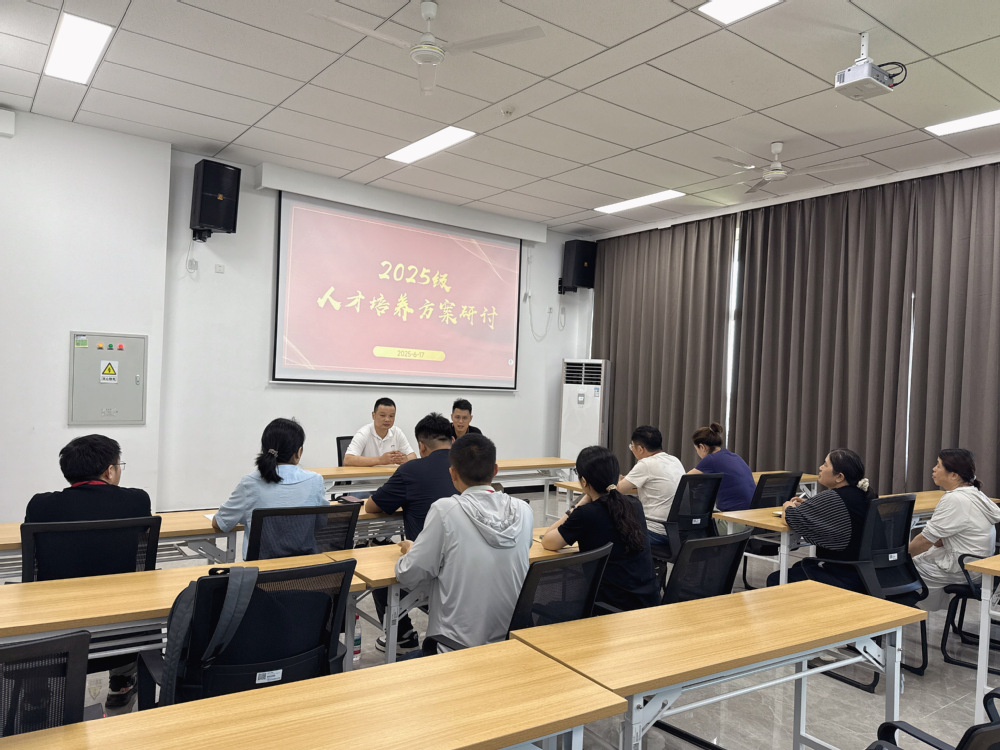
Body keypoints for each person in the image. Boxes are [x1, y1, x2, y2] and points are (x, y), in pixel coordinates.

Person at [26, 434, 152, 711]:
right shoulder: (136, 501)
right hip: (122, 626)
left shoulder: (40, 505)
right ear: (109, 471)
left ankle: (37, 695)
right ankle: (122, 683)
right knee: (124, 593)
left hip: (56, 625)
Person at [395, 433, 533, 653]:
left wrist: (412, 550)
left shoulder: (445, 510)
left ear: (452, 473)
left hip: (454, 650)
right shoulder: (523, 510)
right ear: (495, 470)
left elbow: (409, 573)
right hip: (511, 646)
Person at [364, 412, 457, 653]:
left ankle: (402, 637)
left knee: (378, 561)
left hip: (428, 570)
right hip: (466, 567)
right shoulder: (467, 470)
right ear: (452, 440)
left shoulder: (411, 470)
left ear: (421, 446)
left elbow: (372, 507)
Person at [543, 446, 660, 611]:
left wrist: (579, 504)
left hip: (612, 608)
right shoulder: (634, 504)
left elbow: (548, 540)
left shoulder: (585, 514)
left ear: (584, 481)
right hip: (649, 603)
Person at [213, 418, 327, 559]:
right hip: (306, 568)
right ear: (299, 452)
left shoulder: (250, 483)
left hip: (262, 571)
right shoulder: (315, 481)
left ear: (264, 450)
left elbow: (221, 523)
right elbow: (322, 522)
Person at [766, 448, 876, 590]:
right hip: (865, 573)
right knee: (799, 567)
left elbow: (791, 518)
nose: (820, 467)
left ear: (839, 477)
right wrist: (809, 505)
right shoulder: (864, 494)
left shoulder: (833, 497)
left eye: (825, 464)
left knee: (775, 579)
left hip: (842, 575)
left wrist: (788, 506)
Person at [909, 449, 1000, 611]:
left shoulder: (955, 499)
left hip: (964, 569)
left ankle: (892, 617)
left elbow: (924, 541)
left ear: (953, 475)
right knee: (915, 560)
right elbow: (939, 540)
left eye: (938, 465)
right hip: (977, 565)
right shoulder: (976, 494)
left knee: (899, 572)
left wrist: (900, 558)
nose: (933, 469)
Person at [616, 425, 685, 545]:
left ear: (640, 449)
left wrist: (616, 478)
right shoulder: (674, 460)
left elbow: (619, 489)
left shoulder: (646, 464)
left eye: (632, 446)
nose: (632, 450)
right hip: (678, 531)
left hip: (656, 531)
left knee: (615, 529)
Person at [689, 422, 756, 512]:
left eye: (696, 449)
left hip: (734, 515)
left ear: (702, 447)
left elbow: (685, 480)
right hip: (754, 511)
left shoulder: (710, 459)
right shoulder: (734, 456)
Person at [343, 397, 416, 466]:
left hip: (390, 475)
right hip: (368, 475)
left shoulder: (397, 432)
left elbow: (413, 456)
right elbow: (348, 460)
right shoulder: (363, 433)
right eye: (382, 415)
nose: (387, 419)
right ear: (373, 415)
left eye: (391, 416)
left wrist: (406, 459)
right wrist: (380, 460)